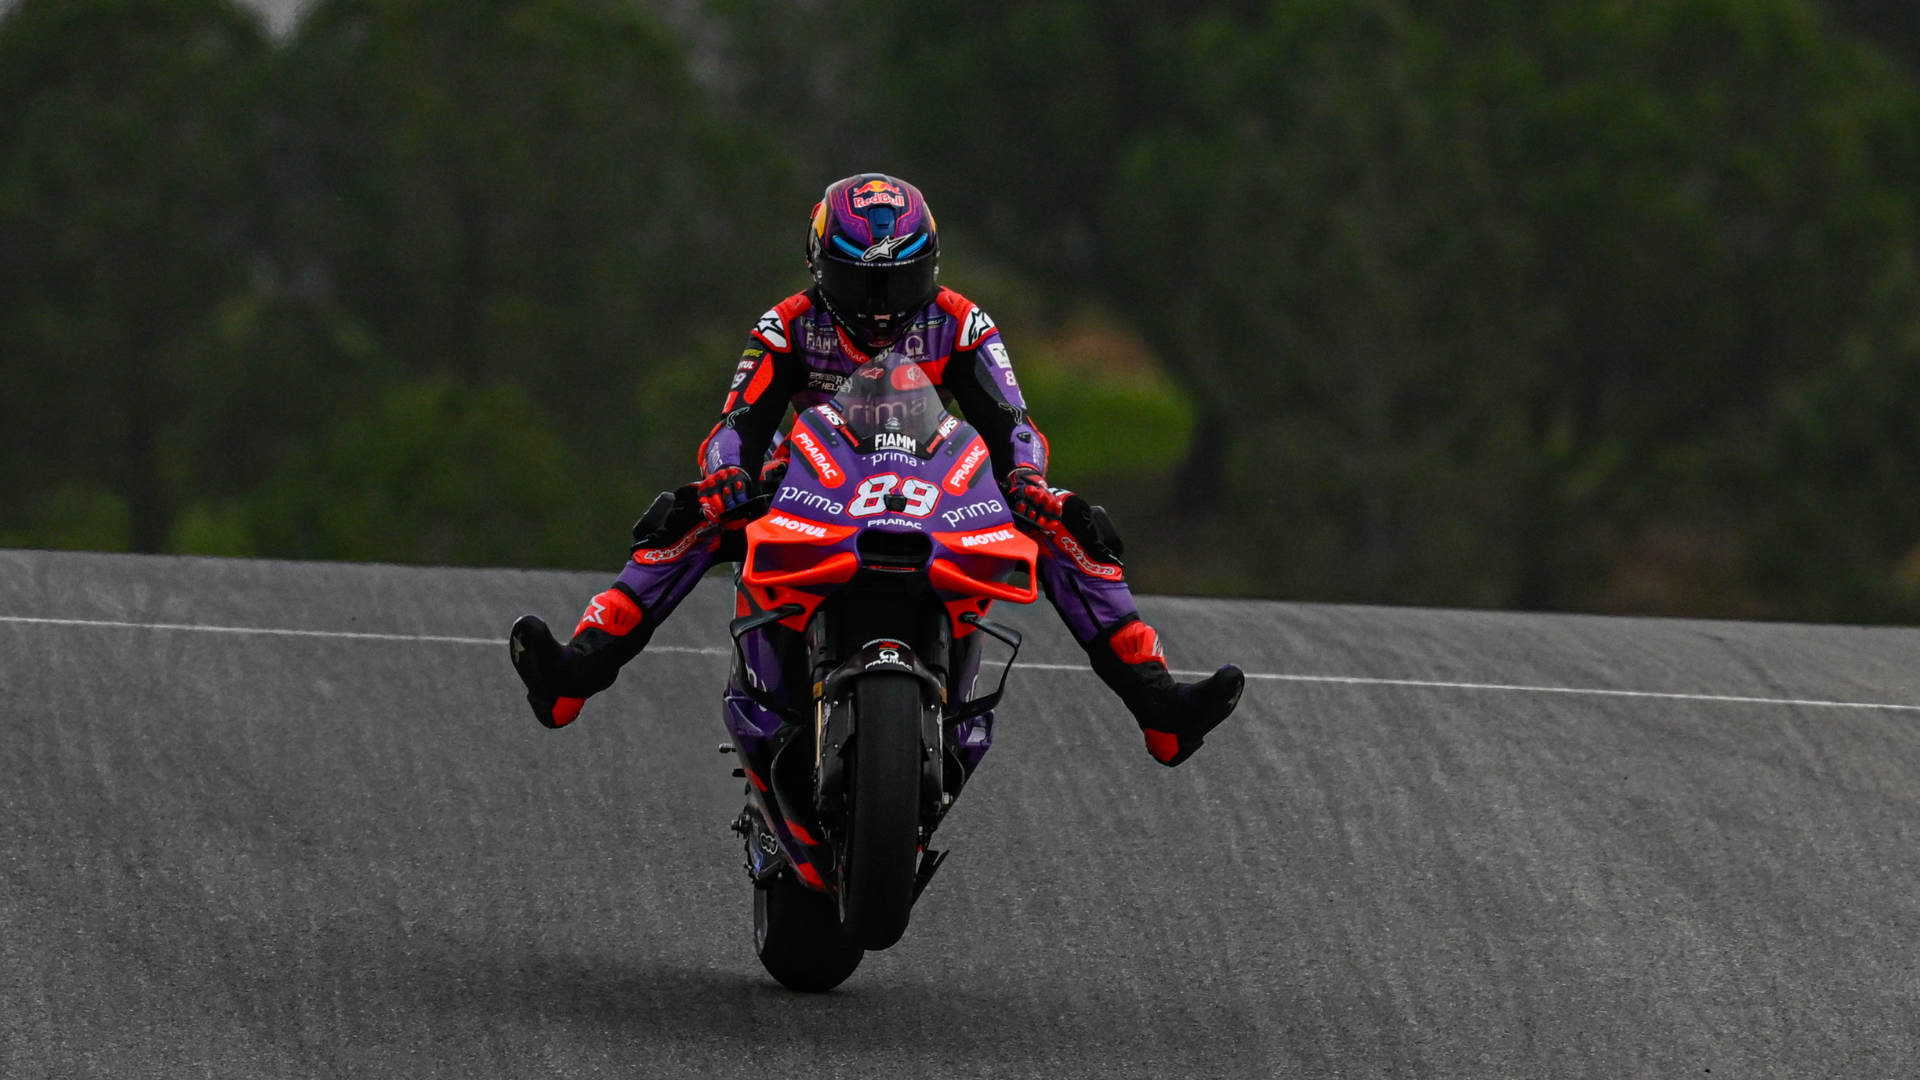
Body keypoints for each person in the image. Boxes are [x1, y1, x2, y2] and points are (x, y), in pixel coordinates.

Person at [509, 174, 1243, 767]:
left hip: (932, 479)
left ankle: (1158, 709)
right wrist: (726, 477)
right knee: (683, 518)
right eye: (861, 284)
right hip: (812, 479)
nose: (882, 309)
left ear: (932, 266)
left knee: (1073, 528)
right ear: (818, 265)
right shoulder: (787, 324)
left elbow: (1013, 424)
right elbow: (736, 426)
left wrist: (1028, 481)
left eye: (901, 282)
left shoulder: (962, 322)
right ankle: (577, 673)